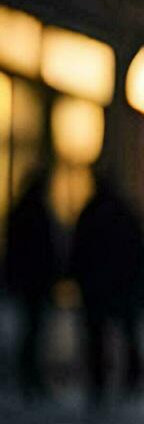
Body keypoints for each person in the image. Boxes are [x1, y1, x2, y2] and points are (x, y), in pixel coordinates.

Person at [70, 178, 144, 406]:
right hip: (121, 285)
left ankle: (99, 382)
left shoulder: (90, 214)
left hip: (97, 287)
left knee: (98, 336)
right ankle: (130, 380)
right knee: (127, 333)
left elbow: (79, 250)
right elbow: (138, 251)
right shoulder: (125, 214)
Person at [4, 171, 58, 402]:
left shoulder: (21, 213)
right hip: (35, 283)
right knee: (33, 331)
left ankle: (28, 376)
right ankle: (30, 376)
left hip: (30, 282)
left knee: (31, 331)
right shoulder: (37, 214)